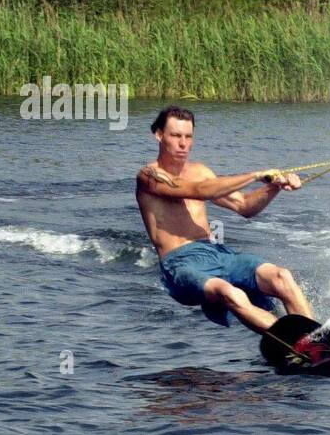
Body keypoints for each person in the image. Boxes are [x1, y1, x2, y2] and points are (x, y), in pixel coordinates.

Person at [135, 106, 315, 332]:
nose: (183, 144)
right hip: (180, 264)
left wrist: (274, 186)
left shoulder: (201, 171)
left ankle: (315, 339)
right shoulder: (149, 176)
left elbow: (245, 206)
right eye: (175, 136)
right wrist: (255, 175)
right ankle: (292, 340)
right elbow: (201, 191)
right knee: (231, 293)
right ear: (159, 135)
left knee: (282, 277)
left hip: (216, 253)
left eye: (188, 136)